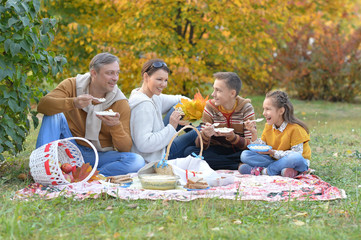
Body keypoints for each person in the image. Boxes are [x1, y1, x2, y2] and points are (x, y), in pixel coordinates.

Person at [36, 52, 145, 176]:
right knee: (53, 113)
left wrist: (116, 126)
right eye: (110, 73)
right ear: (94, 73)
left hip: (98, 155)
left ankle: (90, 178)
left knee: (136, 161)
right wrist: (74, 102)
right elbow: (43, 106)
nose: (115, 78)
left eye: (117, 73)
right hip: (69, 148)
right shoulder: (72, 85)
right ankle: (43, 169)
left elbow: (125, 148)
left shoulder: (120, 102)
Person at [128, 59, 198, 163]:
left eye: (165, 80)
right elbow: (144, 145)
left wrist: (202, 107)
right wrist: (171, 127)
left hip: (159, 147)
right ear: (146, 77)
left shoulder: (152, 96)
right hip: (156, 157)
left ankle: (196, 147)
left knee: (181, 106)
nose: (163, 84)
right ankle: (200, 148)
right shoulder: (143, 106)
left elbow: (180, 99)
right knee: (200, 130)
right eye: (159, 79)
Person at [184, 72, 256, 170]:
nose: (213, 94)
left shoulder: (246, 108)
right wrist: (205, 135)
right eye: (214, 89)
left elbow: (251, 144)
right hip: (216, 150)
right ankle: (237, 166)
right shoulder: (210, 107)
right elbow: (200, 146)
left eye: (218, 90)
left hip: (239, 152)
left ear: (232, 93)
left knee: (249, 155)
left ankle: (222, 163)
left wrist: (233, 137)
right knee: (190, 152)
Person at [239, 90, 310, 178]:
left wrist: (273, 152)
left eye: (268, 109)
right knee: (245, 155)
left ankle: (266, 171)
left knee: (295, 157)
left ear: (281, 111)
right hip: (276, 160)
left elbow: (296, 154)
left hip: (297, 163)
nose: (264, 113)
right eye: (263, 109)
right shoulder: (269, 126)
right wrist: (253, 132)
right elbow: (262, 147)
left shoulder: (295, 129)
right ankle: (283, 171)